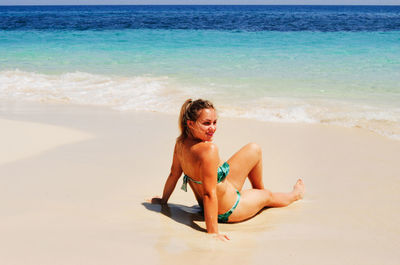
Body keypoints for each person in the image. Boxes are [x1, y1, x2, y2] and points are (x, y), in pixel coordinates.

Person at [151, 99, 305, 241]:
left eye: (215, 122)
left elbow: (174, 174)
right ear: (190, 124)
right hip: (229, 209)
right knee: (268, 195)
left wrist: (163, 201)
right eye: (206, 123)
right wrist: (213, 232)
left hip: (226, 188)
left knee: (254, 149)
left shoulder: (180, 143)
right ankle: (290, 195)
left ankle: (257, 195)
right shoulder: (208, 150)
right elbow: (208, 193)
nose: (212, 128)